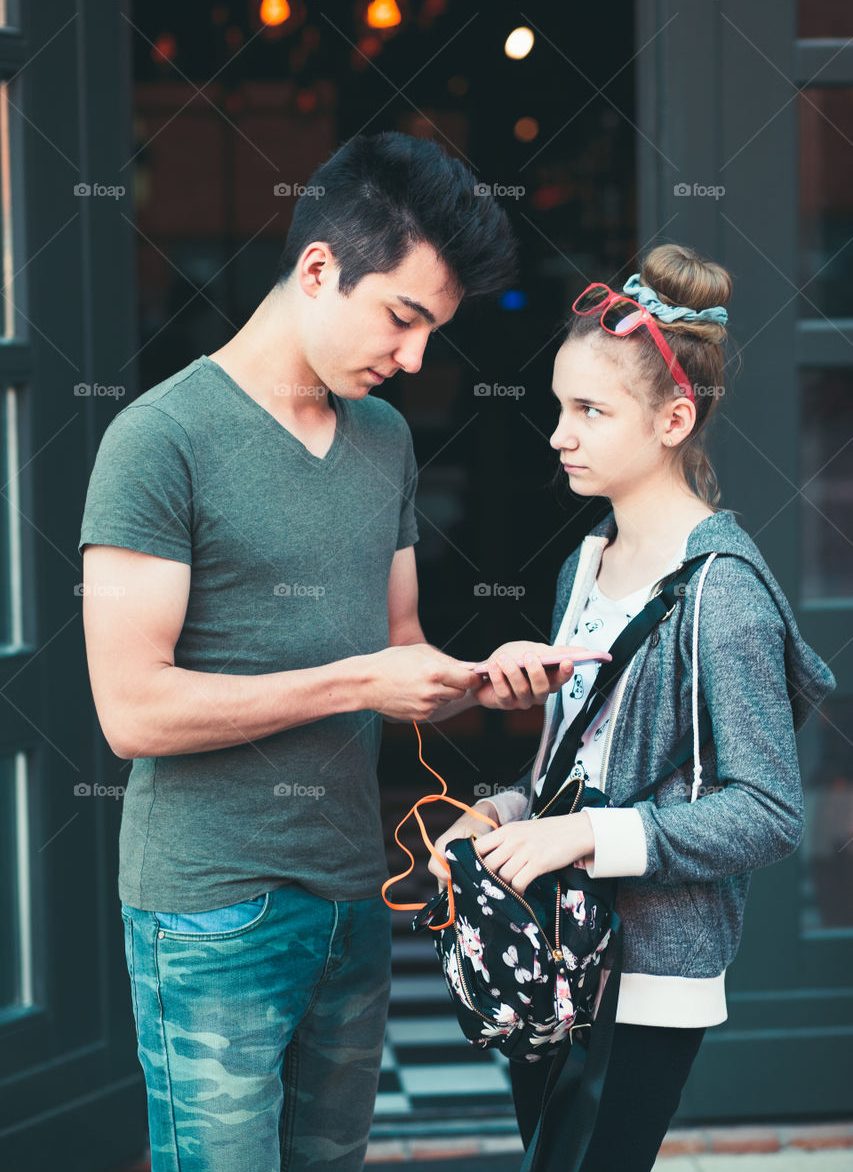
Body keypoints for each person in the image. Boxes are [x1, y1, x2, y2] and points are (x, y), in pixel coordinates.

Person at [78, 132, 593, 1172]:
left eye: (431, 331)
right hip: (210, 909)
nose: (413, 359)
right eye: (403, 318)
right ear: (318, 268)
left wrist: (482, 683)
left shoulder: (382, 439)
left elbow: (397, 652)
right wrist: (359, 679)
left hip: (355, 896)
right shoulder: (156, 438)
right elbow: (132, 710)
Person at [431, 243, 836, 1172]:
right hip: (554, 944)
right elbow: (577, 766)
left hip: (648, 966)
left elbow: (768, 810)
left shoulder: (722, 592)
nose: (557, 435)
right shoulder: (587, 557)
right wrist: (505, 812)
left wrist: (581, 838)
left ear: (673, 419)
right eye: (557, 408)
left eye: (589, 411)